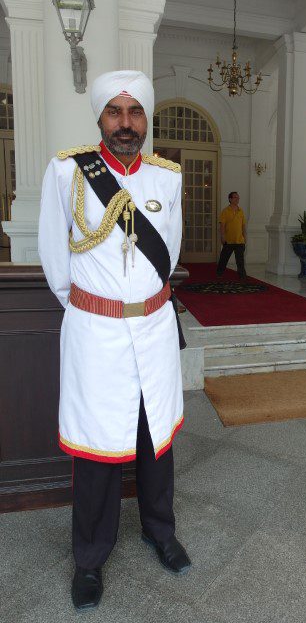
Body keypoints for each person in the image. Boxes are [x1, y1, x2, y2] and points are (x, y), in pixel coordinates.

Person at [38, 70, 190, 611]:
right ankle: (90, 558)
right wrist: (97, 312)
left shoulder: (167, 178)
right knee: (98, 450)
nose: (125, 123)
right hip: (95, 333)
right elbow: (57, 264)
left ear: (146, 118)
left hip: (151, 328)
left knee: (156, 441)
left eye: (135, 112)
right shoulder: (66, 172)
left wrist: (139, 307)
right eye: (114, 112)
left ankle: (160, 531)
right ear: (100, 117)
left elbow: (166, 255)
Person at [216, 191, 247, 278]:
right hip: (228, 240)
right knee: (224, 258)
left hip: (239, 240)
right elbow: (222, 225)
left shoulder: (241, 211)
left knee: (240, 260)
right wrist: (222, 236)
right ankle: (219, 273)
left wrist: (245, 237)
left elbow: (243, 225)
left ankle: (242, 275)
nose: (237, 199)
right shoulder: (225, 211)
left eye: (238, 198)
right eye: (235, 197)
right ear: (230, 199)